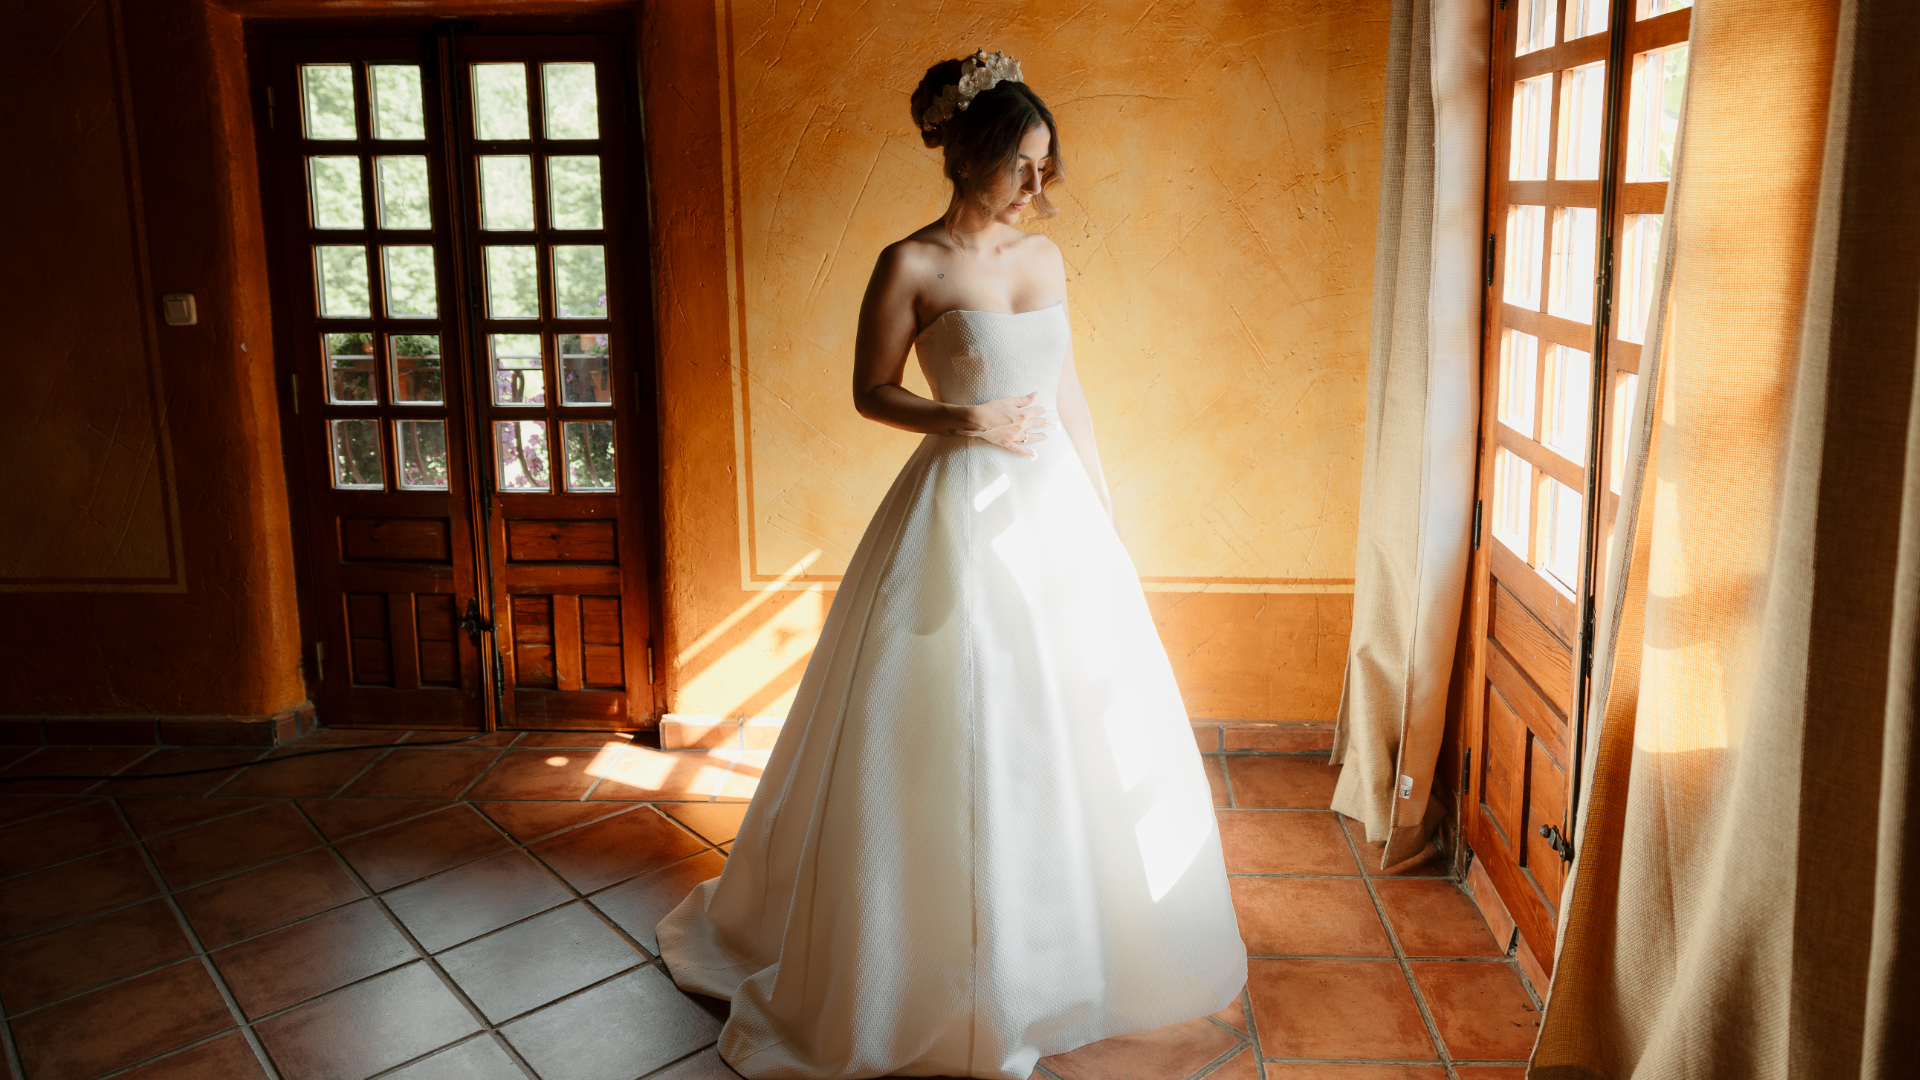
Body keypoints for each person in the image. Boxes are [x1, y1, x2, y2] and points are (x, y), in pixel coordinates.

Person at [656, 49, 1247, 1080]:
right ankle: (922, 956)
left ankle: (1068, 950)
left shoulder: (1043, 262)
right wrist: (958, 417)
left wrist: (1105, 517)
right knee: (948, 718)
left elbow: (1070, 395)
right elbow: (869, 390)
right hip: (957, 509)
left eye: (1045, 164)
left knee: (1071, 724)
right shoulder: (911, 264)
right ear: (970, 154)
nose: (1037, 184)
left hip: (1053, 508)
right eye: (1022, 162)